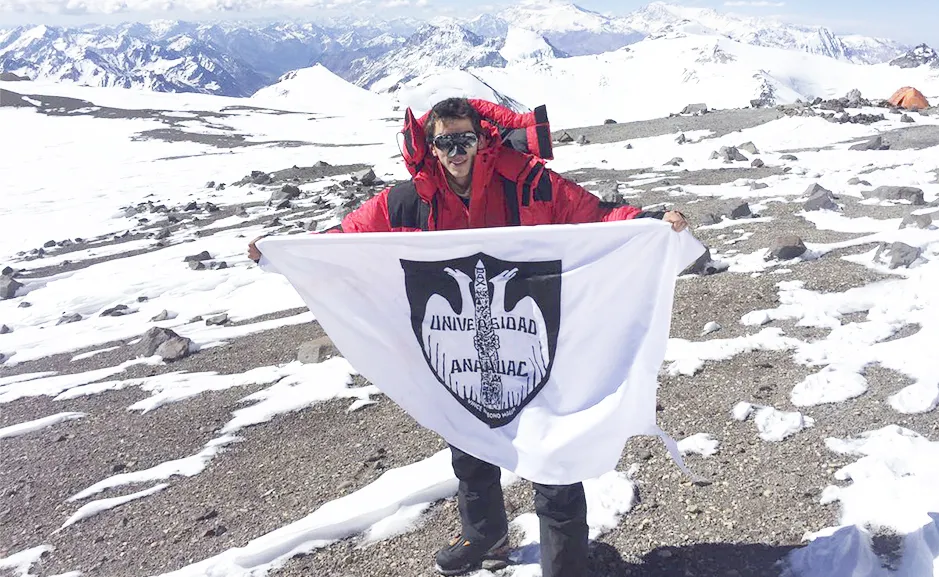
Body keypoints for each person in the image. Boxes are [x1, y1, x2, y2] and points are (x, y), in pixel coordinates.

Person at [248, 97, 687, 577]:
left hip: (530, 338)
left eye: (465, 139)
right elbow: (348, 236)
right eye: (445, 141)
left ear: (483, 140)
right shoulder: (407, 199)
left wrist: (650, 220)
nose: (456, 151)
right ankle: (486, 536)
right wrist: (285, 250)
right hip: (460, 344)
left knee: (550, 450)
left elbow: (594, 214)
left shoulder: (529, 184)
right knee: (469, 442)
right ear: (429, 146)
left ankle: (567, 567)